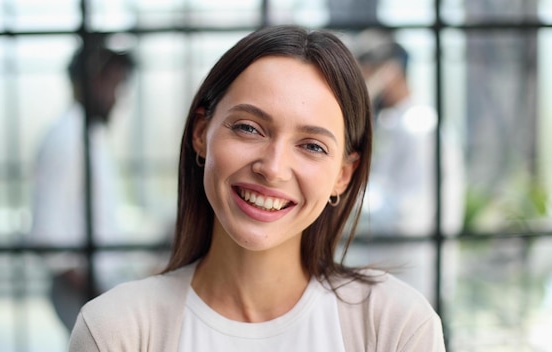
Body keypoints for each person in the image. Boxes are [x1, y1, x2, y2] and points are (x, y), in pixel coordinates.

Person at [69, 25, 445, 351]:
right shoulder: (115, 331)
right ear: (201, 133)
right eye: (249, 128)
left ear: (343, 176)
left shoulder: (396, 326)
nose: (273, 168)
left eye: (312, 146)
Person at [29, 37, 135, 332]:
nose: (118, 97)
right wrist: (99, 296)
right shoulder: (68, 138)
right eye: (115, 85)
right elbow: (48, 238)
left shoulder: (88, 135)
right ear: (93, 82)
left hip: (95, 289)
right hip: (82, 291)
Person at [351, 29, 465, 303]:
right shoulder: (398, 124)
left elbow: (408, 215)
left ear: (389, 73)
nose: (363, 85)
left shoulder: (419, 129)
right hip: (396, 274)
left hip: (414, 277)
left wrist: (349, 193)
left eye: (366, 74)